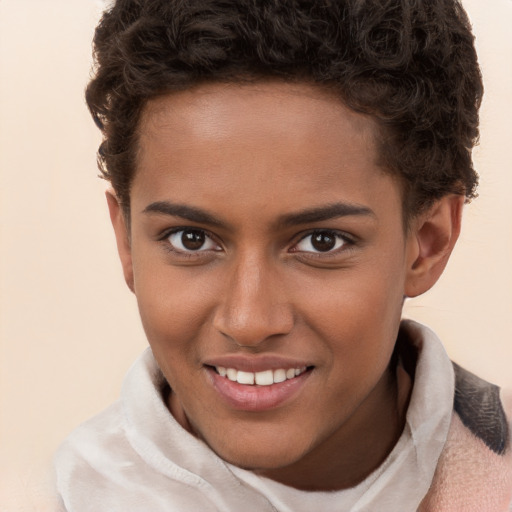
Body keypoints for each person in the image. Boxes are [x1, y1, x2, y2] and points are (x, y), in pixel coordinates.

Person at [54, 0, 512, 510]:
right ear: (127, 243)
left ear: (427, 242)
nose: (249, 321)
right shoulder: (60, 495)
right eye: (191, 239)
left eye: (322, 242)